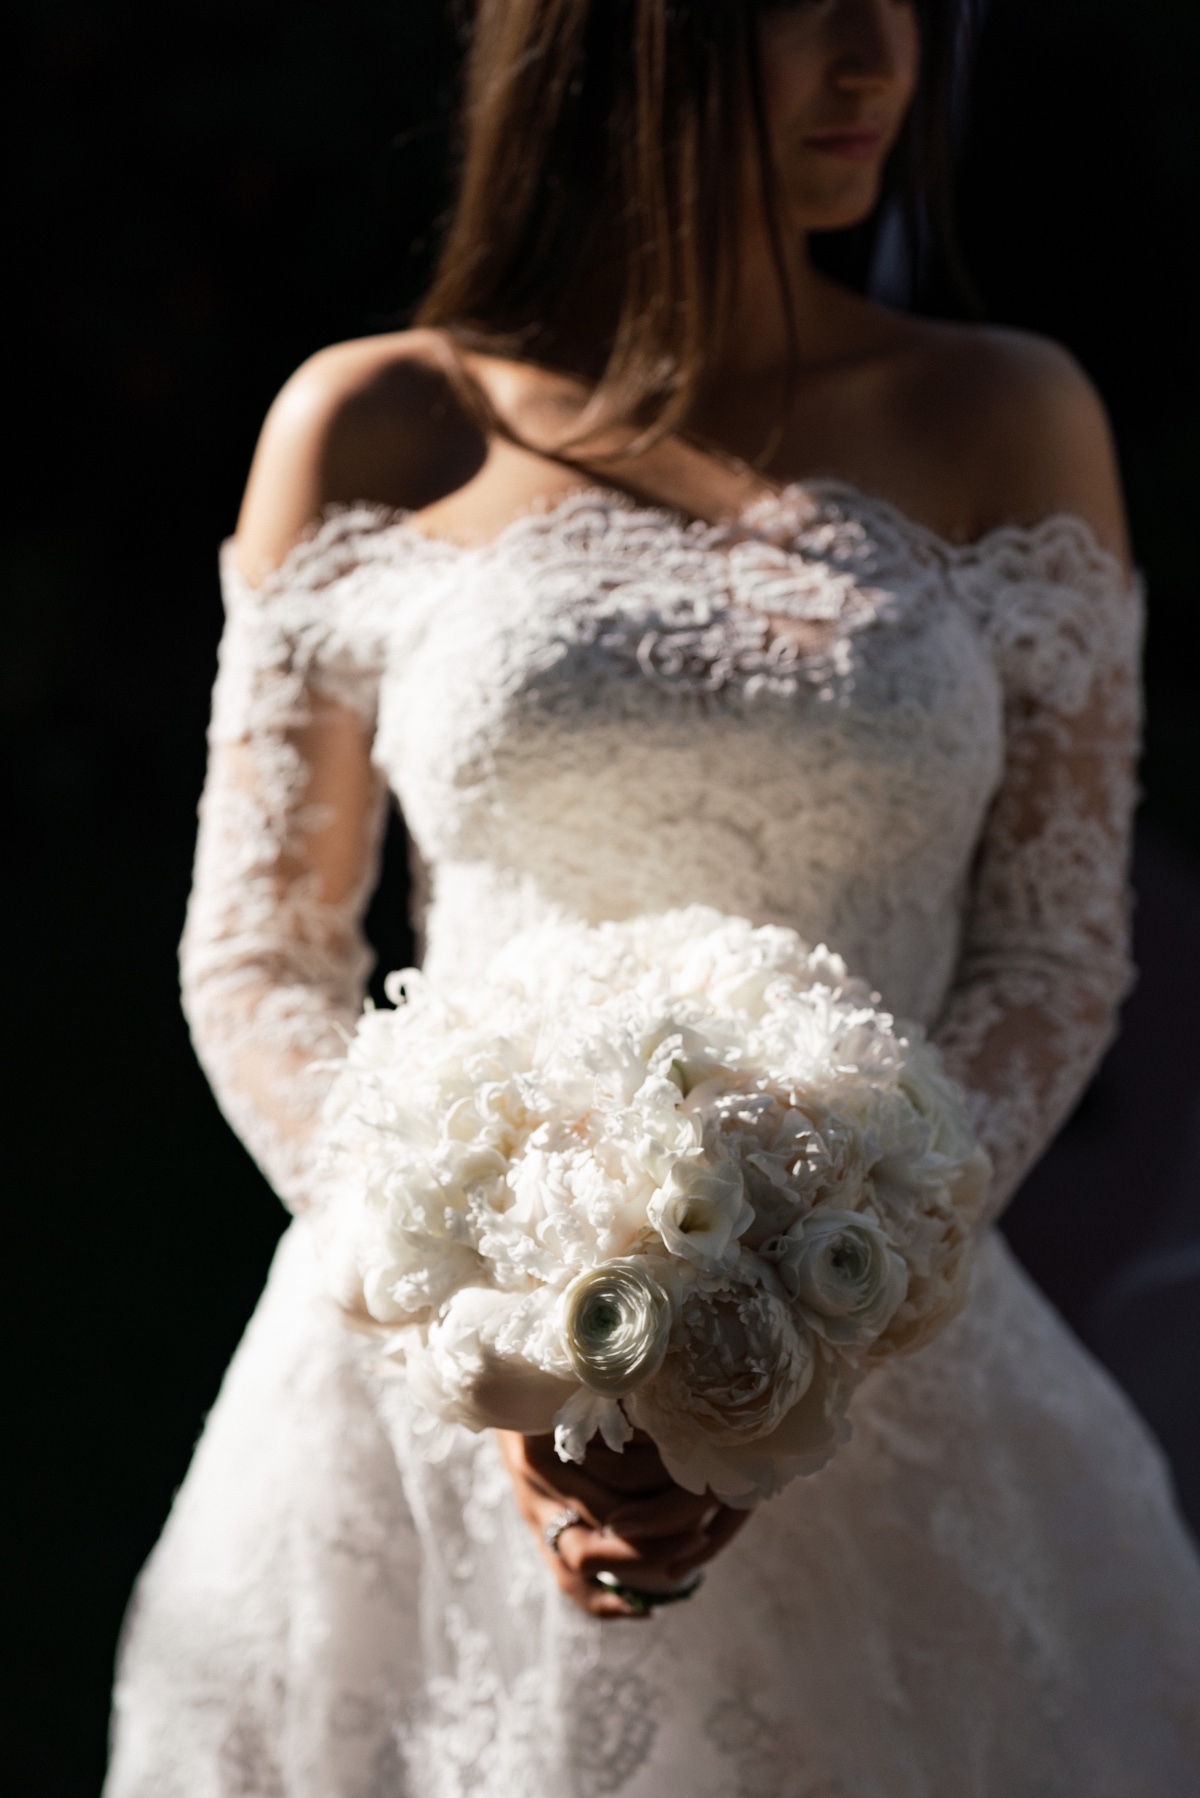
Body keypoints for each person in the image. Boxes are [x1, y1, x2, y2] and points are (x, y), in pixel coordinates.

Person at [106, 1, 1200, 1792]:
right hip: (421, 1399)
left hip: (896, 1359)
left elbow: (1053, 948)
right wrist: (502, 1328)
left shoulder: (1011, 413)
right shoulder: (377, 420)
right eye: (804, 8)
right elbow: (264, 953)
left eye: (904, 10)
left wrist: (831, 1298)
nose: (877, 63)